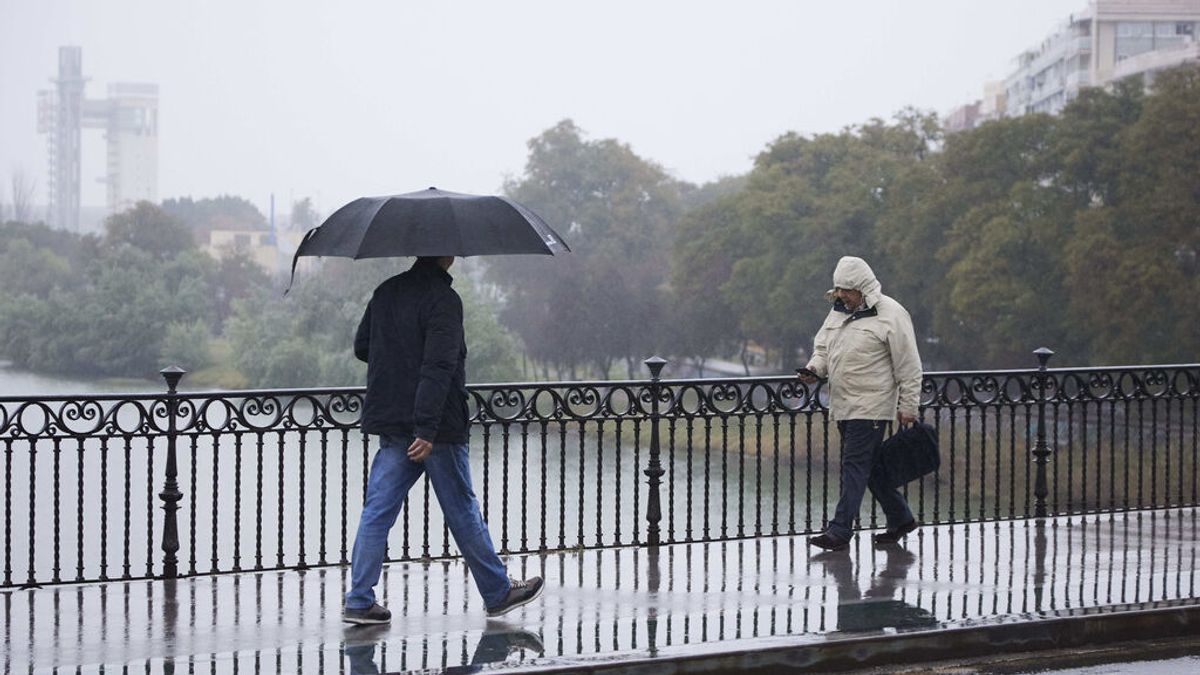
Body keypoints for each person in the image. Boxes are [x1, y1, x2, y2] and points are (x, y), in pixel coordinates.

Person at [343, 256, 544, 624]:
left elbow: (362, 347)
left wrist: (399, 360)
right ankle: (498, 592)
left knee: (377, 511)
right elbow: (439, 365)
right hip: (436, 430)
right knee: (462, 509)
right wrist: (426, 429)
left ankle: (358, 600)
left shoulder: (385, 292)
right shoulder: (444, 300)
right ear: (446, 254)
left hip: (393, 421)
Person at [798, 256, 922, 551]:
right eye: (839, 289)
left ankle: (840, 531)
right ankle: (901, 518)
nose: (842, 295)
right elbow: (823, 349)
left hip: (872, 406)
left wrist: (908, 406)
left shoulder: (891, 314)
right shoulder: (838, 313)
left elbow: (909, 366)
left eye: (848, 290)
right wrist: (814, 370)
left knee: (854, 465)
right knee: (871, 467)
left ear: (863, 289)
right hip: (843, 404)